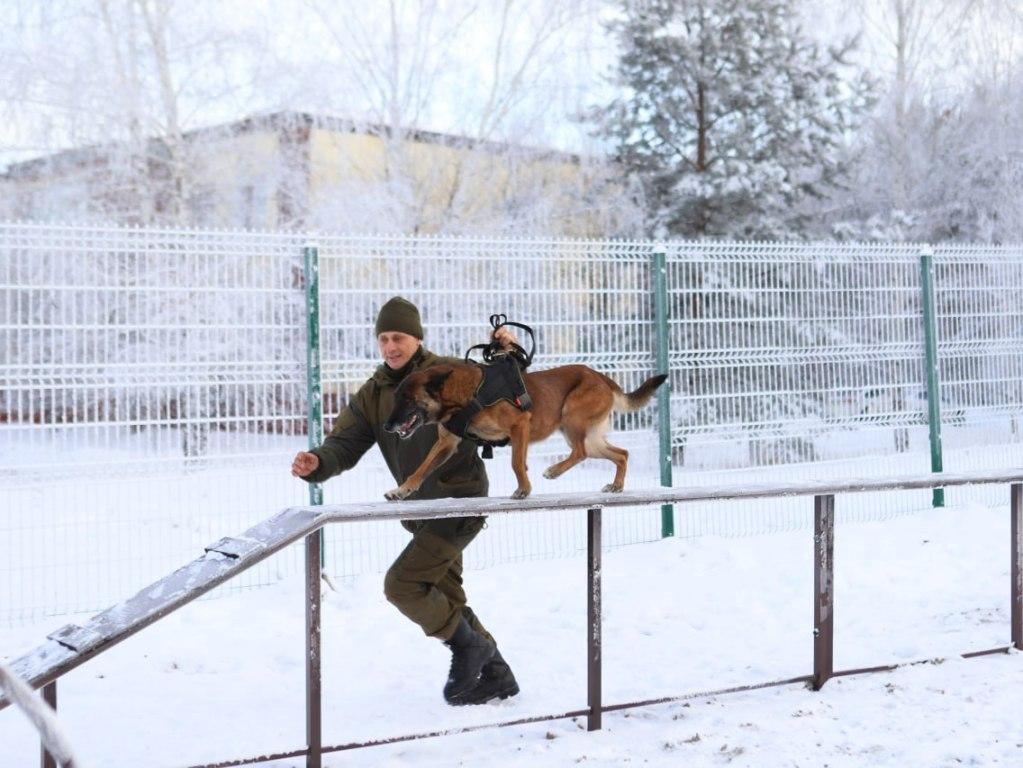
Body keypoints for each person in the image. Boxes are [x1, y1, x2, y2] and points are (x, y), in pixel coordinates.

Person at [291, 296, 520, 706]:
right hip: (420, 512)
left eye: (398, 337)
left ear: (416, 338)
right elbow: (345, 441)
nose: (390, 347)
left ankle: (471, 650)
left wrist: (507, 349)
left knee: (404, 585)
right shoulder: (375, 393)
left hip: (458, 502)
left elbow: (507, 387)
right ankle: (496, 676)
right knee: (445, 599)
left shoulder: (448, 374)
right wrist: (318, 462)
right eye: (383, 338)